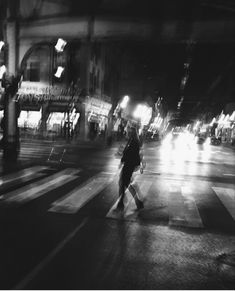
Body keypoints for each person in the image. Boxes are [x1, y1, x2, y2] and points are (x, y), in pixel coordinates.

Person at [117, 126, 144, 210]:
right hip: (128, 165)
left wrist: (123, 160)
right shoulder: (132, 141)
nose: (127, 133)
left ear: (132, 133)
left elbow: (130, 154)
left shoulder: (134, 142)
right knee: (124, 183)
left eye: (129, 132)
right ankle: (135, 202)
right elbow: (126, 152)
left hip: (129, 165)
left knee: (123, 183)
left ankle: (123, 203)